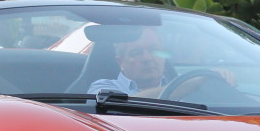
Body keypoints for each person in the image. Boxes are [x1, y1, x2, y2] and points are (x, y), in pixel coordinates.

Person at [88, 28, 233, 98]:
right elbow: (127, 104)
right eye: (136, 53)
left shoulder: (179, 82)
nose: (147, 58)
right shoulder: (103, 87)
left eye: (153, 50)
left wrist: (218, 79)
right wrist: (195, 83)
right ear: (121, 62)